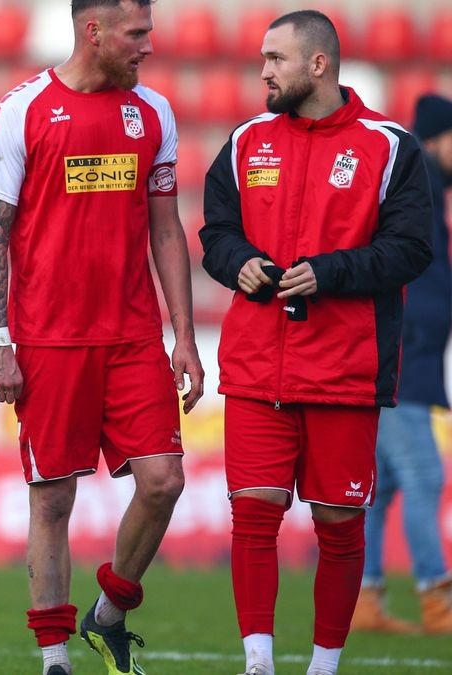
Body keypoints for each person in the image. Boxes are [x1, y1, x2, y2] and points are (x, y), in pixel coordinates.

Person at [199, 10, 433, 675]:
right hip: (255, 366)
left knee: (338, 523)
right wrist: (236, 261)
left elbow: (413, 249)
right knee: (254, 515)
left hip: (344, 368)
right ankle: (258, 664)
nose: (264, 71)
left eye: (276, 58)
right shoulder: (246, 141)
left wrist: (329, 273)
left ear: (319, 65)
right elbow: (215, 232)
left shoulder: (390, 146)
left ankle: (324, 666)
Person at [0, 1, 204, 673]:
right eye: (137, 34)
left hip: (132, 334)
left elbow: (166, 228)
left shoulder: (154, 113)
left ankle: (109, 613)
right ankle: (54, 659)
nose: (148, 47)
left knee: (163, 481)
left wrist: (183, 335)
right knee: (53, 496)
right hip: (49, 339)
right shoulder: (22, 110)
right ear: (93, 31)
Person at [351, 92, 452, 635]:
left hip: (407, 357)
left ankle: (364, 599)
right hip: (400, 359)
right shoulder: (417, 187)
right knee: (424, 475)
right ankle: (438, 601)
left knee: (384, 484)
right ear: (439, 139)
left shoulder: (429, 193)